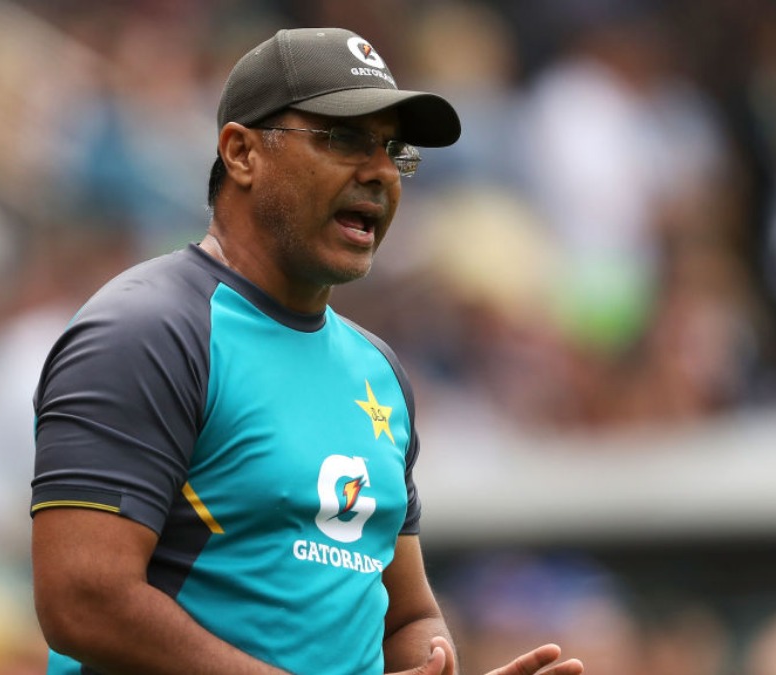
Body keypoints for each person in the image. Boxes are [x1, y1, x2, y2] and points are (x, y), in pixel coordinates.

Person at [29, 27, 585, 675]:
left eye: (394, 150)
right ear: (241, 153)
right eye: (344, 139)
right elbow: (83, 601)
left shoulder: (378, 370)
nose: (380, 172)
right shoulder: (149, 332)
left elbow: (406, 617)